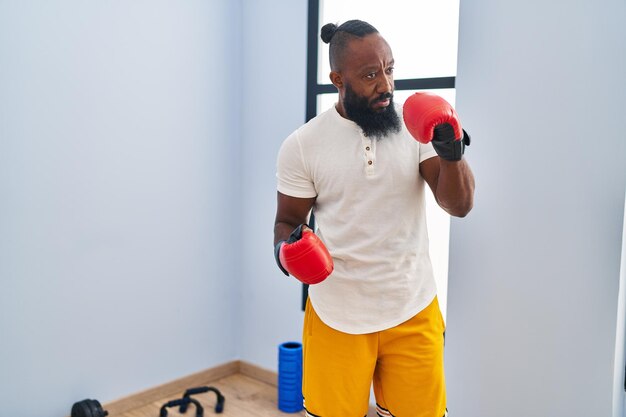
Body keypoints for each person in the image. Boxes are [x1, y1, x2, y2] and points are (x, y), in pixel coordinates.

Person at [273, 19, 474, 417]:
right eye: (369, 75)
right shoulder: (303, 145)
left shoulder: (416, 129)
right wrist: (287, 251)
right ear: (337, 79)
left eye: (389, 69)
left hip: (412, 308)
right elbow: (286, 221)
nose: (385, 84)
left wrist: (453, 156)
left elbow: (459, 205)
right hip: (337, 316)